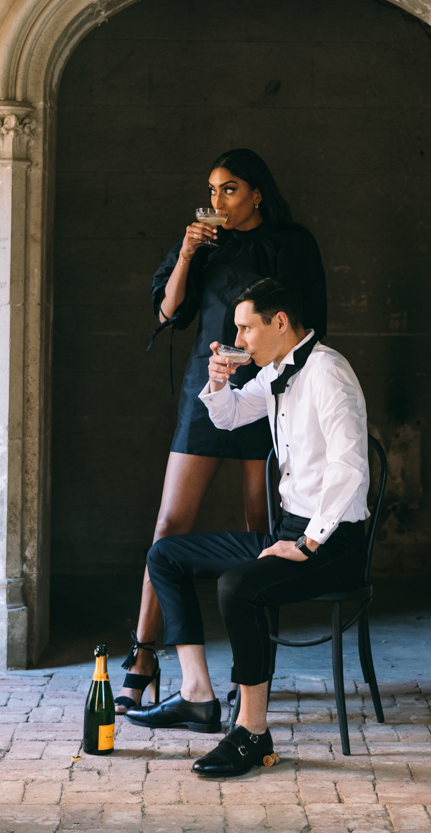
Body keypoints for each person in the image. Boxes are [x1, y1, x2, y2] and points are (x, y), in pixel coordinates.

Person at [124, 277, 370, 779]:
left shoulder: (327, 373)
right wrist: (217, 381)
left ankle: (252, 734)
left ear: (279, 322)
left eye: (245, 328)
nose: (239, 339)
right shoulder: (274, 371)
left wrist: (308, 543)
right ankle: (196, 694)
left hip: (333, 543)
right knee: (165, 555)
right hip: (289, 532)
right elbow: (230, 418)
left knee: (238, 585)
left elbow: (350, 467)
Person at [117, 152, 326, 713]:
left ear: (257, 193)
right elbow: (167, 312)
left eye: (229, 190)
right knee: (169, 524)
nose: (217, 202)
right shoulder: (203, 242)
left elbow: (313, 324)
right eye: (211, 190)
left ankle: (251, 670)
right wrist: (186, 253)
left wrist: (278, 377)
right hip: (206, 390)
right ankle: (142, 654)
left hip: (271, 392)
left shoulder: (293, 243)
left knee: (262, 528)